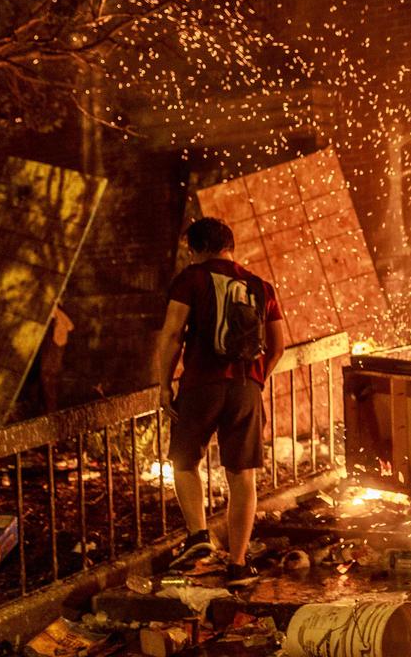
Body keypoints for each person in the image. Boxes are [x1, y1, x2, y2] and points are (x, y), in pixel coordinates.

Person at [155, 217, 285, 587]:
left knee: (183, 461)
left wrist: (164, 386)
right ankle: (239, 564)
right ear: (230, 245)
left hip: (201, 384)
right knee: (242, 476)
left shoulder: (191, 279)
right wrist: (256, 380)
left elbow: (172, 334)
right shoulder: (261, 286)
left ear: (195, 249)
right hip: (247, 388)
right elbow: (278, 347)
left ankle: (198, 536)